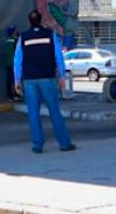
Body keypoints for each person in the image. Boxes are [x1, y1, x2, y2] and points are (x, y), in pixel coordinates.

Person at [14, 9, 75, 154]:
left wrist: (17, 80)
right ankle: (64, 143)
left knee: (33, 113)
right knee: (54, 111)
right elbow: (58, 57)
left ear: (29, 21)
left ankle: (37, 145)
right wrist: (61, 76)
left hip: (29, 80)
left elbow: (17, 60)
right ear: (41, 20)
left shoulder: (23, 37)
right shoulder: (50, 35)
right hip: (47, 78)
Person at [4, 26, 19, 101]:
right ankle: (15, 94)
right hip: (14, 63)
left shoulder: (6, 40)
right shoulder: (15, 41)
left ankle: (9, 95)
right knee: (14, 79)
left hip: (8, 62)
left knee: (9, 80)